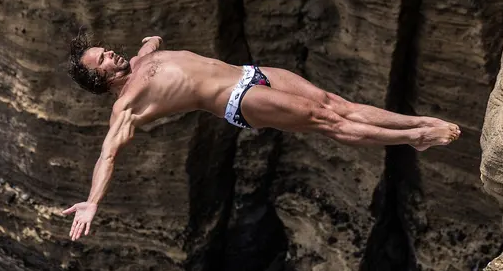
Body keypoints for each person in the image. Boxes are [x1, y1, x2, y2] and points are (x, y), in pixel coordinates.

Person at [62, 31, 461, 240]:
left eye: (105, 50)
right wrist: (93, 202)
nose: (110, 54)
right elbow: (108, 155)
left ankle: (415, 129)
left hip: (251, 73)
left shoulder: (139, 60)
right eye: (102, 59)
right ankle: (415, 134)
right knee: (328, 121)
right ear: (99, 79)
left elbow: (153, 44)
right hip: (237, 100)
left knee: (336, 103)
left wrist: (151, 40)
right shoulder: (127, 105)